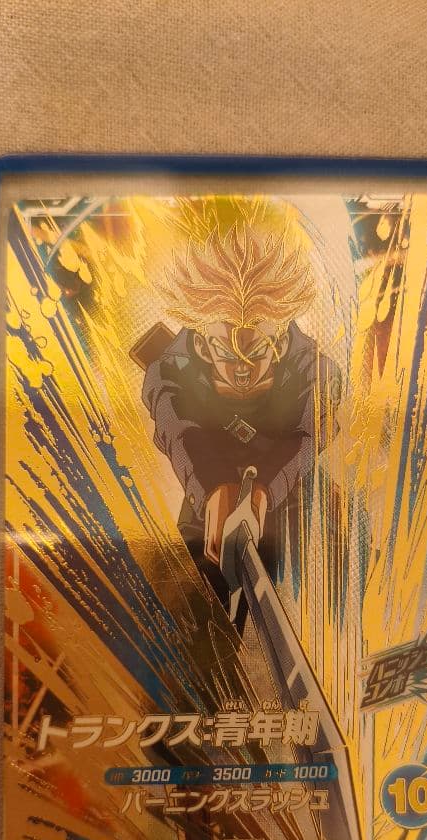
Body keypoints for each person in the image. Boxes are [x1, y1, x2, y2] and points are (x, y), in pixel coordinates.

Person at [141, 222, 341, 628]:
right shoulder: (171, 368)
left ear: (279, 340)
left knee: (344, 540)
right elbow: (177, 427)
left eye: (258, 350)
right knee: (194, 608)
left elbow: (309, 432)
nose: (243, 369)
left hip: (297, 495)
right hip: (211, 498)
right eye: (227, 352)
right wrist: (214, 486)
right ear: (202, 342)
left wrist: (265, 490)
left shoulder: (315, 370)